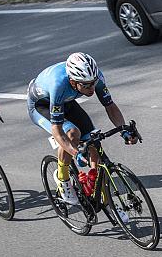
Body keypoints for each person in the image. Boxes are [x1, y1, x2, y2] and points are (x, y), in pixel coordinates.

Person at [27, 52, 137, 206]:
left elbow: (110, 106)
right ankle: (62, 177)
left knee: (93, 140)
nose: (92, 88)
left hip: (67, 100)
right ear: (73, 82)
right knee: (72, 133)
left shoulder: (93, 77)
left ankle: (103, 197)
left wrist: (123, 130)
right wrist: (75, 152)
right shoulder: (58, 85)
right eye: (86, 85)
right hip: (41, 105)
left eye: (93, 83)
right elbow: (58, 132)